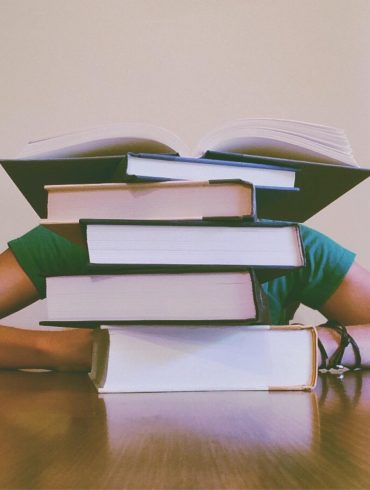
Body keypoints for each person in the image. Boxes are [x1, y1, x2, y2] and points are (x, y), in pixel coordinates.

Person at [1, 224, 370, 372]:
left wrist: (313, 345)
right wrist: (56, 349)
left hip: (257, 433)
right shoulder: (72, 238)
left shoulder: (289, 245)